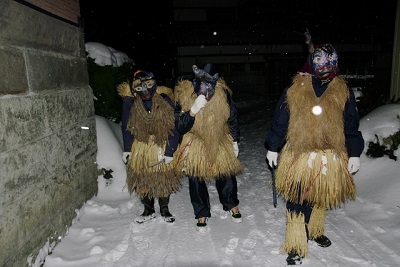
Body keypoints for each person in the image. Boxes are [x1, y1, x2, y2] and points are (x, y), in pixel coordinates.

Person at [264, 33, 364, 265]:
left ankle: (315, 230)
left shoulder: (342, 90)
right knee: (298, 198)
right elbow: (281, 118)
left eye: (330, 62)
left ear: (336, 63)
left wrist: (355, 152)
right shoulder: (297, 87)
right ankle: (297, 243)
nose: (325, 66)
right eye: (320, 61)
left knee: (319, 196)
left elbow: (351, 124)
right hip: (300, 154)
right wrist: (273, 147)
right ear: (312, 62)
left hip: (330, 155)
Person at [174, 63, 243, 232]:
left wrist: (234, 140)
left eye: (210, 84)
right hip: (195, 141)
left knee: (226, 175)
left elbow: (232, 118)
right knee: (196, 178)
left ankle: (231, 204)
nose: (206, 88)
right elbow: (180, 126)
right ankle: (201, 213)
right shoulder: (183, 94)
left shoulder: (222, 93)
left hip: (219, 138)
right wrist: (192, 111)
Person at [118, 70, 181, 223]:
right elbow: (127, 127)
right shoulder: (130, 103)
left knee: (163, 178)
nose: (145, 92)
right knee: (142, 179)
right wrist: (127, 149)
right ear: (134, 90)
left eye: (149, 86)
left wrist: (169, 151)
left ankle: (164, 209)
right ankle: (148, 209)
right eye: (139, 89)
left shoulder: (164, 100)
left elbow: (174, 127)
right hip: (141, 146)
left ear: (155, 85)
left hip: (161, 144)